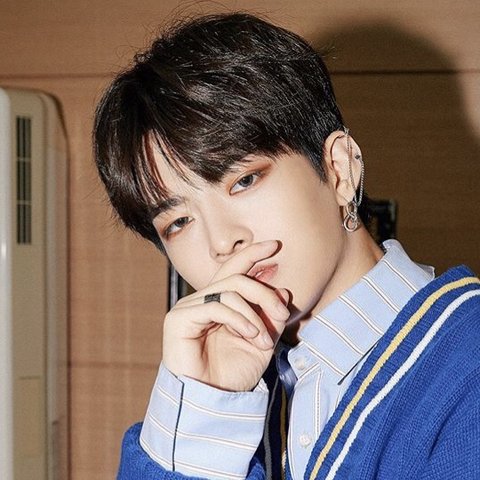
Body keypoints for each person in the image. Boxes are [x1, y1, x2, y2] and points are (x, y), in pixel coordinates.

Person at [93, 12, 480, 480]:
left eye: (244, 180)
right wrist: (202, 412)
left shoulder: (463, 367)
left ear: (340, 169)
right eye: (178, 222)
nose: (222, 241)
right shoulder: (250, 380)